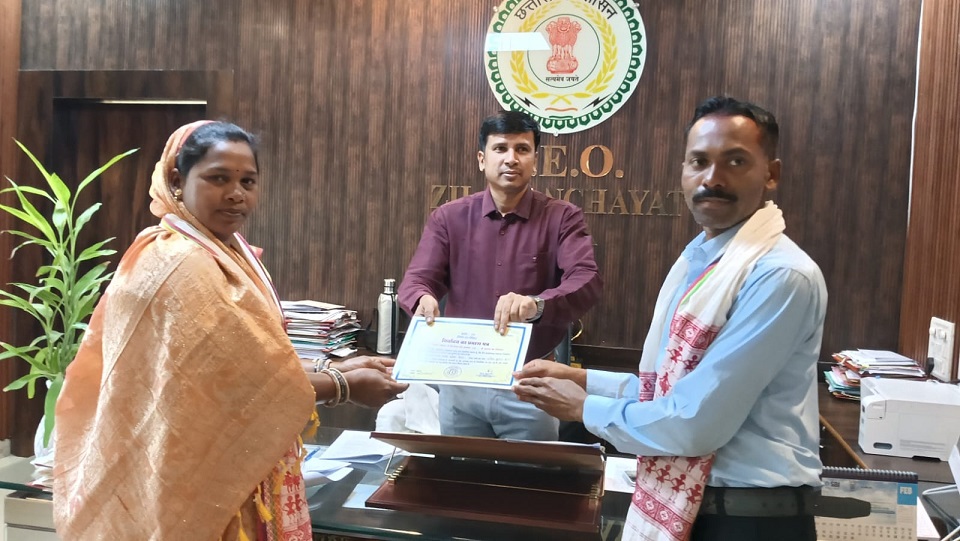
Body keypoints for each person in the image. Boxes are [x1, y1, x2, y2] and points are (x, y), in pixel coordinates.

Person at [53, 121, 408, 540]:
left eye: (248, 181)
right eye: (218, 178)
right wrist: (344, 386)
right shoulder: (176, 261)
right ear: (176, 180)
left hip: (233, 454)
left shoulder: (227, 252)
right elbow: (235, 382)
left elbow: (247, 355)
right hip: (196, 466)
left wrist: (337, 366)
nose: (237, 193)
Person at [514, 96, 827, 541]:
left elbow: (693, 422)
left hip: (749, 521)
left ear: (771, 173)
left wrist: (583, 408)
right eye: (699, 162)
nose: (712, 179)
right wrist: (582, 379)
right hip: (703, 508)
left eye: (735, 161)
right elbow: (668, 390)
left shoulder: (778, 275)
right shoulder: (701, 262)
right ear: (683, 170)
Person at [398, 110, 602, 441]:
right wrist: (421, 298)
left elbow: (586, 280)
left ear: (535, 160)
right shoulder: (448, 218)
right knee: (460, 469)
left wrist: (537, 304)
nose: (511, 158)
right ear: (482, 159)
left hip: (529, 383)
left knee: (530, 472)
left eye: (522, 149)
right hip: (461, 379)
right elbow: (417, 279)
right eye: (500, 148)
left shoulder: (563, 217)